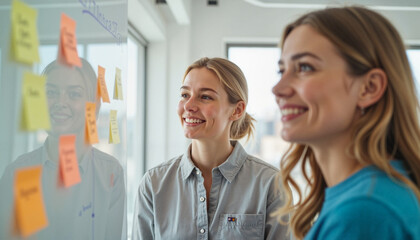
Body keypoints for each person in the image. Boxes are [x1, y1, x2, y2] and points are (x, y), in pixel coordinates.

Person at [271, 6, 420, 240]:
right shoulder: (371, 194)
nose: (278, 89)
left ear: (369, 87)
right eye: (282, 70)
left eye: (305, 67)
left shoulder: (364, 211)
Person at [132, 57, 288, 239]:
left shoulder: (270, 184)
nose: (188, 106)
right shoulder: (153, 184)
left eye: (205, 97)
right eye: (184, 95)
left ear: (237, 110)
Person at [0, 58, 125, 240]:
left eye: (74, 94)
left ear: (93, 105)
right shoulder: (16, 173)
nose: (60, 102)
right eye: (51, 92)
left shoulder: (111, 174)